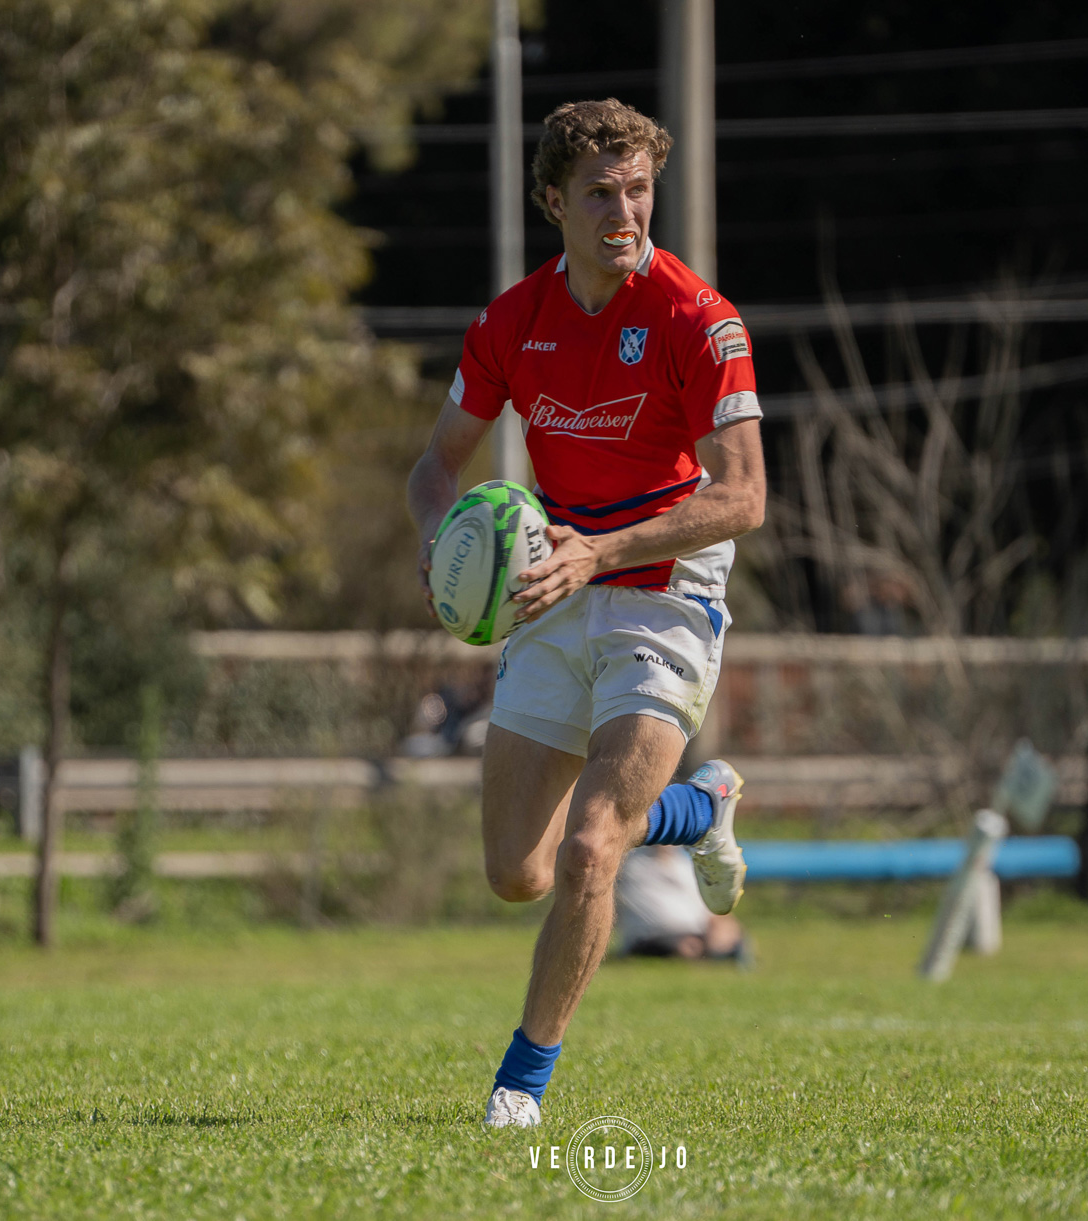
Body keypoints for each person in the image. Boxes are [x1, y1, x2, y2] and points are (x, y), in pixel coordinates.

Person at [406, 98, 767, 1128]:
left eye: (639, 188)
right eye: (601, 192)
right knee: (517, 872)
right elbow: (435, 467)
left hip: (663, 589)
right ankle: (698, 810)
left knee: (589, 849)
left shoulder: (703, 320)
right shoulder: (512, 322)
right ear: (553, 200)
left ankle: (522, 1084)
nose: (626, 210)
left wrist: (599, 551)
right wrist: (448, 554)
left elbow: (743, 497)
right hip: (553, 586)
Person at [616, 845, 751, 965]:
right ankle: (719, 955)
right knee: (688, 946)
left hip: (695, 930)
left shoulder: (684, 865)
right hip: (650, 935)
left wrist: (719, 926)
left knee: (724, 933)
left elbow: (706, 907)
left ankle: (724, 951)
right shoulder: (630, 864)